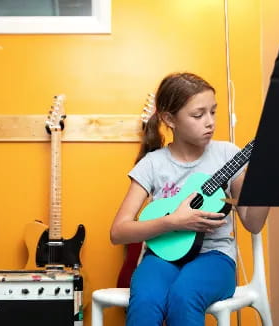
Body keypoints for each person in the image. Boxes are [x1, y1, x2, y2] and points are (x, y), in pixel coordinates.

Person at [110, 72, 270, 326]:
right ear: (168, 119)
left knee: (184, 296)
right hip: (161, 257)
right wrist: (173, 222)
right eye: (198, 115)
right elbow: (118, 232)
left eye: (213, 112)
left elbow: (252, 222)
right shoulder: (152, 164)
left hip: (215, 257)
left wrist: (266, 177)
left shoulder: (228, 154)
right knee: (145, 300)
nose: (210, 122)